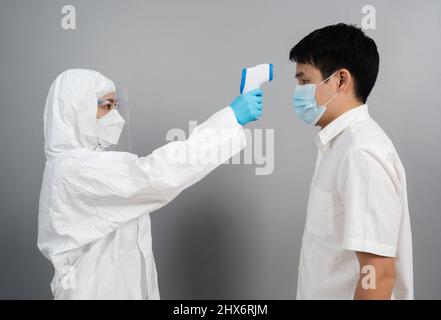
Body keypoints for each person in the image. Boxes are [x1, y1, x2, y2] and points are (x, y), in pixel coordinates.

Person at [37, 68, 263, 299]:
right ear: (76, 109)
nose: (115, 116)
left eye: (116, 106)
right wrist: (229, 121)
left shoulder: (86, 164)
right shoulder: (74, 169)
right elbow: (156, 174)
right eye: (106, 105)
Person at [289, 23, 413, 299]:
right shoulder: (339, 147)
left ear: (341, 80)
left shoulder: (360, 153)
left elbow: (378, 272)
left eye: (305, 81)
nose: (298, 92)